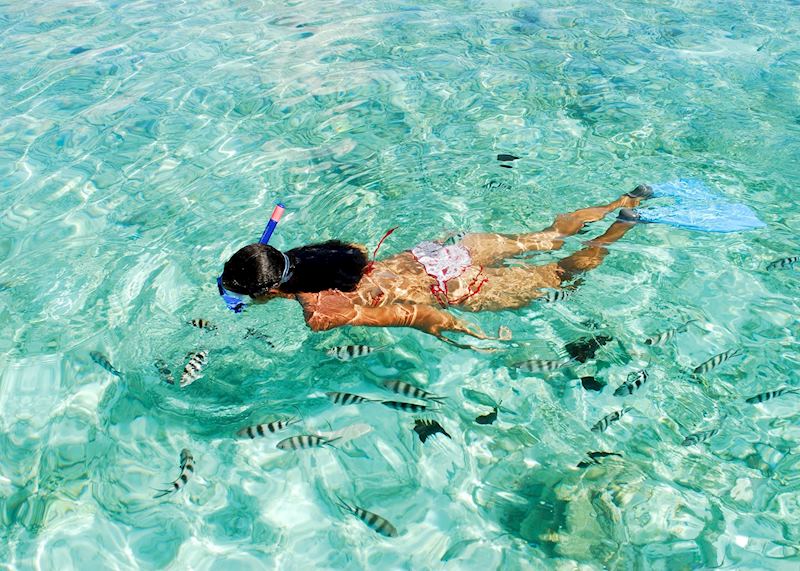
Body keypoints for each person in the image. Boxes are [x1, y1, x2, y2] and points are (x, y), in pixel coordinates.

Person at [220, 186, 651, 344]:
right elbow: (360, 253)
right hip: (447, 254)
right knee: (546, 237)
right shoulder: (322, 252)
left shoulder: (322, 312)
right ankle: (623, 201)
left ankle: (619, 230)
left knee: (560, 275)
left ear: (269, 290)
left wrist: (458, 331)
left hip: (459, 287)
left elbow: (409, 315)